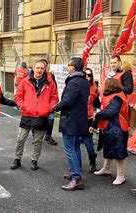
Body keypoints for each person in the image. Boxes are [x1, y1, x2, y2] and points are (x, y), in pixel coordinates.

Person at [11, 60, 59, 171]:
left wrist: (48, 108)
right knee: (20, 139)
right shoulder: (25, 81)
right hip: (27, 114)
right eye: (37, 68)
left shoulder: (49, 83)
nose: (39, 70)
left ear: (45, 69)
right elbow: (18, 96)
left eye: (42, 68)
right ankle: (17, 159)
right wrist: (24, 106)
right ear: (33, 68)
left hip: (42, 116)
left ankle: (34, 160)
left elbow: (55, 98)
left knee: (38, 141)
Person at [53, 57, 89, 191]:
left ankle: (76, 178)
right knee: (75, 147)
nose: (67, 67)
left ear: (73, 67)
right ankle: (75, 173)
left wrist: (54, 107)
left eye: (68, 65)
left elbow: (67, 101)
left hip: (71, 120)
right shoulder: (83, 81)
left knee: (70, 149)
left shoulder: (74, 82)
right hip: (78, 119)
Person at [90, 78, 129, 185]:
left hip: (118, 128)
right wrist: (94, 124)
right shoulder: (109, 96)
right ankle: (106, 169)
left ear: (109, 86)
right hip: (109, 127)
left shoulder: (117, 97)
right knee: (108, 148)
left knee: (118, 152)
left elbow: (109, 112)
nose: (101, 86)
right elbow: (104, 111)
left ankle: (121, 176)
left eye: (103, 84)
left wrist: (96, 115)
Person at [81, 68, 99, 173]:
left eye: (89, 75)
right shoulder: (78, 85)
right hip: (77, 118)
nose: (87, 76)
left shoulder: (93, 88)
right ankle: (75, 165)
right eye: (85, 74)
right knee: (74, 142)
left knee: (88, 141)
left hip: (88, 117)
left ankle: (92, 162)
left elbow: (97, 104)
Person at [39, 59, 58, 146]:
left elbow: (55, 91)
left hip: (48, 103)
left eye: (45, 67)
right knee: (35, 120)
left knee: (50, 119)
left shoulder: (51, 76)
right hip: (37, 105)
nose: (43, 69)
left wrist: (52, 105)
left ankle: (48, 136)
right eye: (41, 67)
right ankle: (36, 135)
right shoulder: (34, 76)